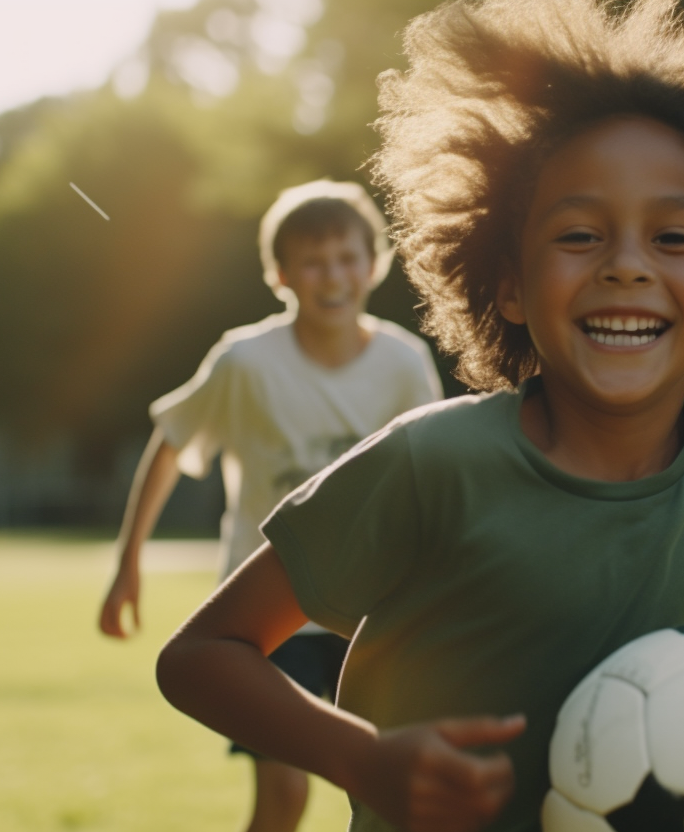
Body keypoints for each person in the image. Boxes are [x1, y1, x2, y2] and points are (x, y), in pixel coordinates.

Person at [156, 2, 684, 831]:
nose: (625, 267)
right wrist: (362, 758)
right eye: (580, 235)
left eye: (675, 239)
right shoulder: (431, 463)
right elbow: (201, 656)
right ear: (507, 283)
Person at [98, 179, 442, 832]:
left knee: (386, 795)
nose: (332, 276)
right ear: (280, 273)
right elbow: (170, 443)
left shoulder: (404, 362)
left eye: (346, 258)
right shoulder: (245, 362)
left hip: (369, 612)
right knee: (283, 796)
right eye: (313, 261)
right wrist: (128, 562)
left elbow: (430, 480)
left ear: (374, 264)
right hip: (266, 618)